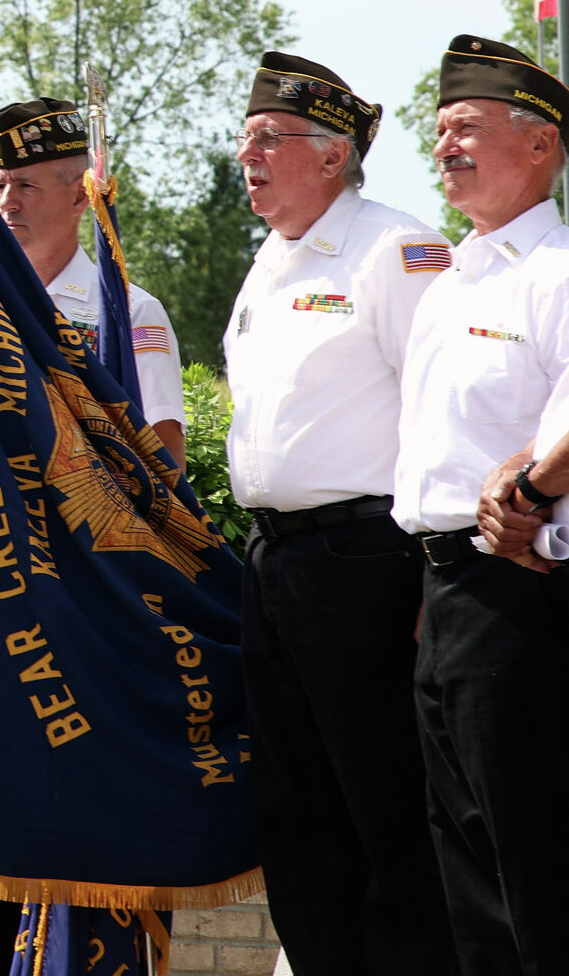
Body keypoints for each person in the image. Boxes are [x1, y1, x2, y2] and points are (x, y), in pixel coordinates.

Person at [0, 97, 190, 976]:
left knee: (86, 810)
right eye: (0, 183)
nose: (7, 201)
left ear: (81, 194)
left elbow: (163, 460)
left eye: (28, 186)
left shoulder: (124, 309)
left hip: (86, 598)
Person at [223, 52, 454, 976]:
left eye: (267, 139)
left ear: (332, 154)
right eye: (245, 139)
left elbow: (443, 415)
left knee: (383, 805)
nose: (247, 156)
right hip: (273, 564)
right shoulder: (268, 262)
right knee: (294, 809)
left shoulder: (396, 250)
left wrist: (436, 572)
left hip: (367, 560)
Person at [394, 34, 569, 976]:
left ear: (539, 142)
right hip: (448, 593)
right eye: (439, 130)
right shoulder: (453, 278)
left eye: (464, 127)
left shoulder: (557, 268)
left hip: (523, 592)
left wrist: (533, 488)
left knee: (534, 867)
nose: (443, 147)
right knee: (468, 875)